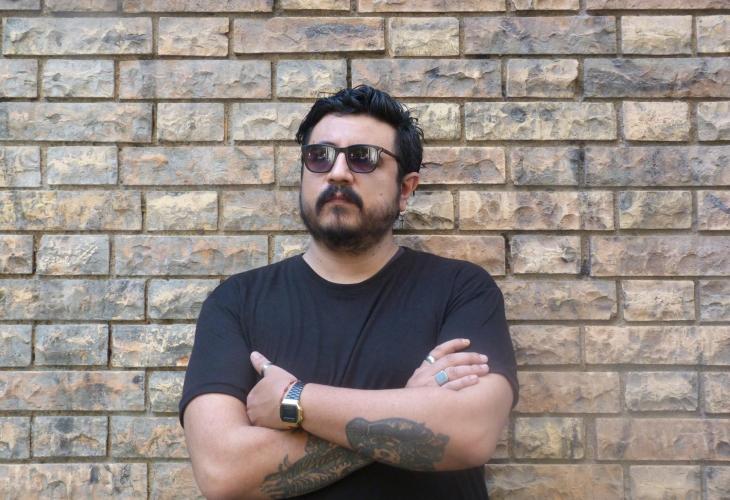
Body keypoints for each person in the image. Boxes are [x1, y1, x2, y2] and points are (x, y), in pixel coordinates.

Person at [179, 85, 518, 500]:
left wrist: (295, 401)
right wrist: (410, 408)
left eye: (363, 157)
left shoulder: (461, 290)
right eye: (319, 156)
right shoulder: (236, 303)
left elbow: (471, 432)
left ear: (406, 189)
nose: (337, 172)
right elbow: (222, 471)